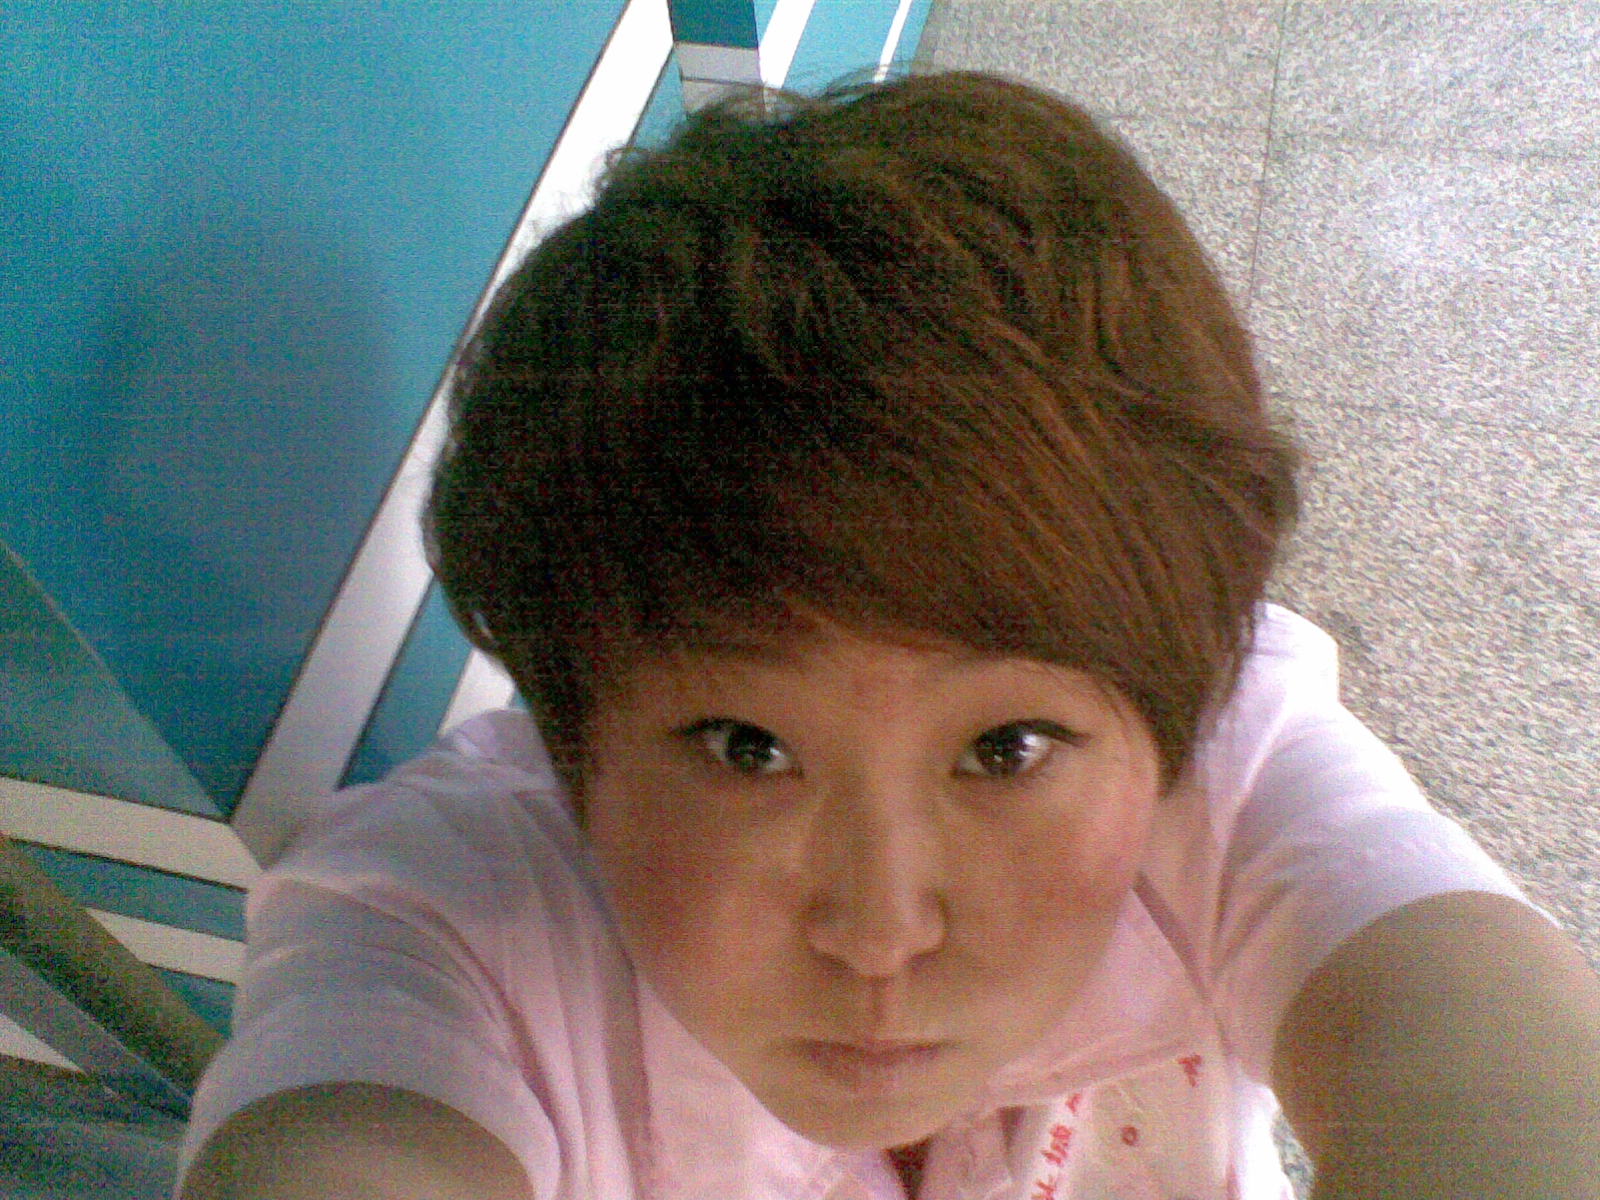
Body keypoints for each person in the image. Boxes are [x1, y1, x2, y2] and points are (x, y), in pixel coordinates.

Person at [176, 71, 1600, 1199]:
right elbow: (348, 1132)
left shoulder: (1213, 748)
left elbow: (1493, 1057)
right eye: (745, 748)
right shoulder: (442, 921)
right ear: (571, 735)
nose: (878, 932)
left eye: (1007, 748)